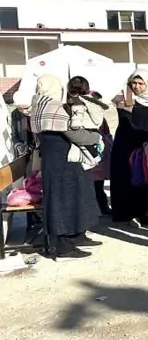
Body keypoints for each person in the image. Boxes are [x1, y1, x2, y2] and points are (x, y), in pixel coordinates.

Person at [30, 74, 101, 259]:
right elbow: (73, 134)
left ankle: (77, 236)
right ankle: (65, 248)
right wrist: (95, 138)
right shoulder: (54, 106)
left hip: (55, 161)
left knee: (76, 196)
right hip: (63, 162)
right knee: (66, 201)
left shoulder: (38, 105)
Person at [110, 69, 148, 227]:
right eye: (134, 83)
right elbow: (128, 122)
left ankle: (146, 213)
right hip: (126, 143)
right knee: (128, 177)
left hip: (144, 141)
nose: (137, 86)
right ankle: (128, 213)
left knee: (146, 176)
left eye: (140, 83)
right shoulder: (124, 98)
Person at [65, 76, 107, 171]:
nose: (75, 95)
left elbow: (97, 121)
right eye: (73, 92)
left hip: (87, 138)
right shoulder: (75, 102)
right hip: (84, 139)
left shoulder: (87, 101)